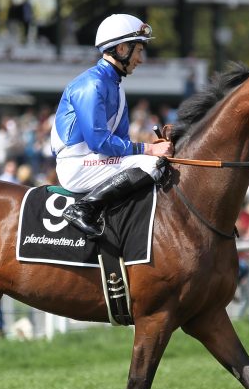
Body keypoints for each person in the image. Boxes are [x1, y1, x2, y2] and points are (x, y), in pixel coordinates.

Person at [51, 13, 173, 237]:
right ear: (122, 49)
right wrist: (148, 149)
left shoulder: (117, 88)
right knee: (151, 164)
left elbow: (122, 142)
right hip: (75, 165)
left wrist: (150, 147)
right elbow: (99, 142)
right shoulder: (91, 84)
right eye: (139, 51)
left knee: (156, 161)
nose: (141, 59)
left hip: (93, 160)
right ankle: (83, 208)